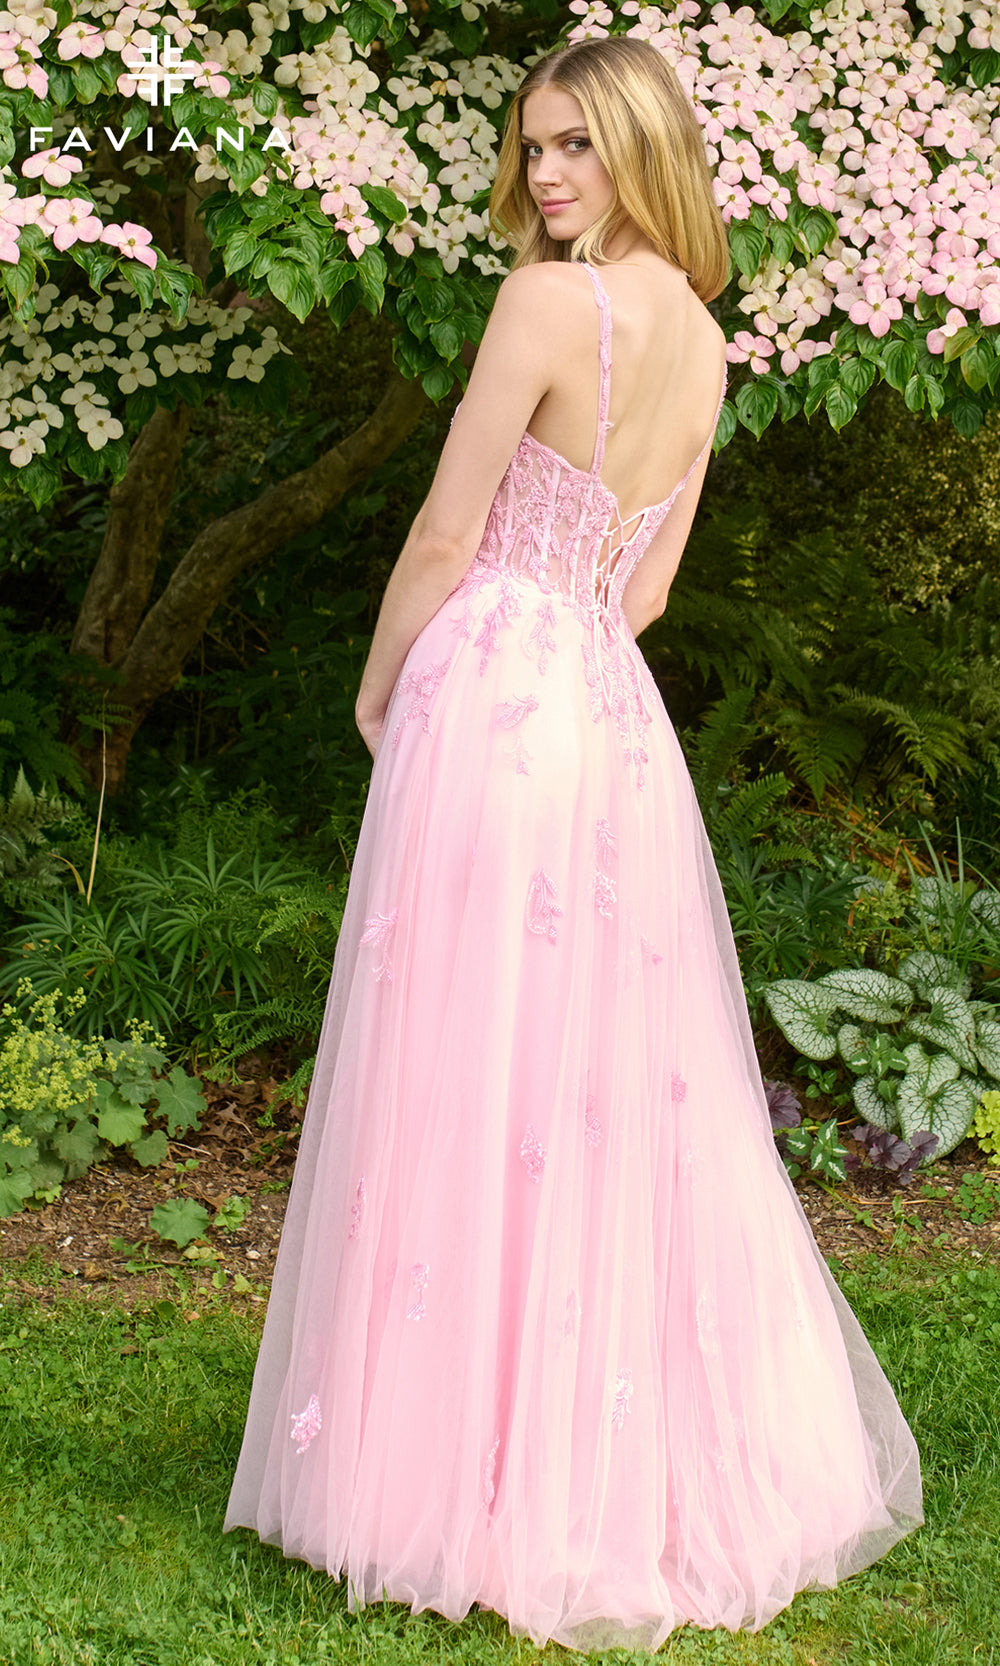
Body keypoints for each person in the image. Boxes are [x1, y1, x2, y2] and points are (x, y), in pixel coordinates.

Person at [224, 35, 922, 1652]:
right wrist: (571, 645)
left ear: (639, 152)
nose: (544, 178)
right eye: (533, 147)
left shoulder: (550, 306)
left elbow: (449, 528)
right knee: (596, 1088)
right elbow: (651, 592)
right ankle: (583, 1464)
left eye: (575, 150)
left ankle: (448, 1478)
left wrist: (381, 681)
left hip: (500, 688)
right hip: (608, 714)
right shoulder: (708, 344)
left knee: (468, 1066)